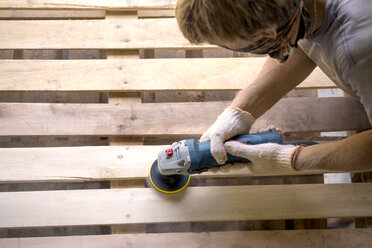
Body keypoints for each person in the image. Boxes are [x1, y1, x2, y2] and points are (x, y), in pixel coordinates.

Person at [175, 0, 372, 173]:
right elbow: (303, 43)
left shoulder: (358, 52)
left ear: (270, 34)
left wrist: (292, 158)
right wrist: (239, 112)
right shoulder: (301, 11)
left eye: (257, 46)